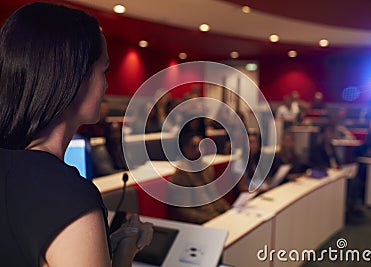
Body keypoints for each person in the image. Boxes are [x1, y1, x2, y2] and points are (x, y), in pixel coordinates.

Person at [0, 3, 152, 267]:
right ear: (74, 77)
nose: (106, 84)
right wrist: (127, 251)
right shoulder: (69, 197)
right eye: (103, 70)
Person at [167, 133, 230, 224]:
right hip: (200, 223)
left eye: (201, 146)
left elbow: (215, 197)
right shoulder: (181, 175)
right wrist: (213, 218)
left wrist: (228, 210)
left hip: (214, 216)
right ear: (185, 149)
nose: (199, 150)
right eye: (194, 147)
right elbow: (185, 212)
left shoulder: (207, 168)